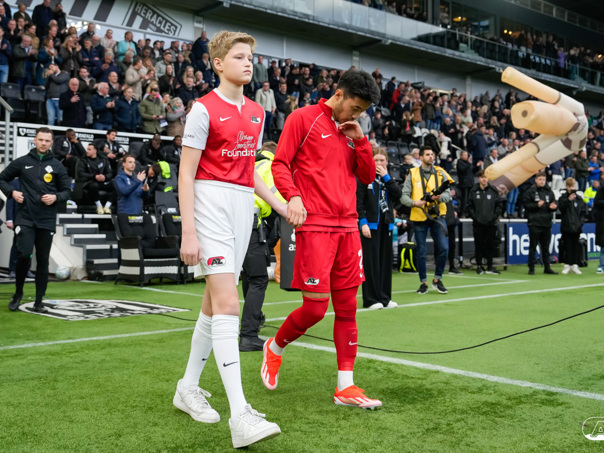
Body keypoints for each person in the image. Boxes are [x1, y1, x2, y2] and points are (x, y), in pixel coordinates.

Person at [176, 30, 284, 449]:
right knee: (228, 303)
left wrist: (278, 203)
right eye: (239, 56)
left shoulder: (257, 112)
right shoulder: (202, 110)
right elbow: (186, 174)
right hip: (209, 204)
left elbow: (249, 171)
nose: (248, 62)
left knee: (212, 303)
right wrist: (189, 231)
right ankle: (241, 415)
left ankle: (187, 387)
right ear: (218, 64)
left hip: (241, 208)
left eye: (251, 57)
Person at [262, 69, 382, 410]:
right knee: (315, 308)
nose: (356, 115)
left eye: (362, 112)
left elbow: (366, 175)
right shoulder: (303, 118)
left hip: (348, 228)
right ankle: (275, 347)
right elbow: (280, 164)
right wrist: (293, 196)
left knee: (347, 309)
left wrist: (360, 140)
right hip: (315, 225)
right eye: (355, 108)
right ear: (339, 95)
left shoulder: (352, 130)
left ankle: (345, 386)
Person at [0, 127, 71, 313]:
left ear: (51, 143)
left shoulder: (57, 166)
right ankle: (18, 293)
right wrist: (12, 192)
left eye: (47, 141)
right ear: (35, 140)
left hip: (46, 219)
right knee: (24, 254)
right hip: (25, 217)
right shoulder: (22, 162)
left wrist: (56, 197)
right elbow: (2, 179)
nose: (43, 143)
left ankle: (39, 302)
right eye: (40, 139)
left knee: (42, 260)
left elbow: (67, 191)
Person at [240, 143, 286, 352]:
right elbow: (280, 200)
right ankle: (248, 335)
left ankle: (253, 320)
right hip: (251, 222)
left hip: (231, 221)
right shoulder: (272, 166)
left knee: (248, 276)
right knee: (258, 279)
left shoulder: (250, 163)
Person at [401, 145, 454, 294]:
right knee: (421, 251)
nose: (431, 157)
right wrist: (414, 203)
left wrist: (439, 197)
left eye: (432, 154)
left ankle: (437, 279)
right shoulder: (412, 173)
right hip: (419, 215)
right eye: (428, 154)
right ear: (421, 157)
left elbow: (448, 194)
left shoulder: (441, 172)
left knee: (444, 248)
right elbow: (403, 196)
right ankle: (423, 282)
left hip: (437, 215)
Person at [356, 148, 402, 309]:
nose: (379, 163)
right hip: (370, 226)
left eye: (382, 160)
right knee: (371, 263)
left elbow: (399, 195)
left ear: (387, 162)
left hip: (386, 224)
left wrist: (387, 177)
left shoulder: (388, 179)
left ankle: (385, 298)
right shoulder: (364, 177)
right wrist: (363, 223)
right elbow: (359, 202)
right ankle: (371, 299)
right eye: (376, 160)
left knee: (385, 263)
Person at [467, 170, 503, 275]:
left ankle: (490, 266)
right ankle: (479, 266)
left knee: (490, 245)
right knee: (478, 245)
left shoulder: (493, 190)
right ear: (478, 178)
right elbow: (469, 205)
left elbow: (499, 205)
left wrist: (494, 217)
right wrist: (475, 217)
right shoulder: (473, 190)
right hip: (478, 224)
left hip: (490, 224)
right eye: (482, 177)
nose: (484, 179)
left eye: (486, 177)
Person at [523, 171, 558, 275]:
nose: (542, 181)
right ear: (536, 180)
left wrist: (554, 207)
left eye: (543, 180)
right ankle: (531, 268)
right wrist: (536, 205)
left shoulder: (549, 191)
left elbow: (554, 203)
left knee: (546, 247)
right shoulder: (530, 191)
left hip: (546, 223)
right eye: (540, 179)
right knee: (533, 247)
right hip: (534, 223)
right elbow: (526, 206)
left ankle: (547, 268)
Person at [74, 143, 114, 214]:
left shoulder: (103, 159)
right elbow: (81, 173)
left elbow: (110, 173)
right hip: (88, 182)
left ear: (95, 151)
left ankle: (107, 206)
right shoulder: (82, 160)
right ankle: (99, 206)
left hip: (102, 181)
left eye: (89, 149)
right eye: (87, 149)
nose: (87, 151)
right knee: (94, 185)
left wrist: (105, 177)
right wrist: (94, 176)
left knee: (116, 184)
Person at [558, 177, 587, 274]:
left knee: (576, 246)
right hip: (566, 226)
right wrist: (568, 200)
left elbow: (583, 212)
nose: (571, 188)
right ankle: (567, 265)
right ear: (566, 186)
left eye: (573, 186)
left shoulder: (579, 199)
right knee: (567, 246)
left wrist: (580, 223)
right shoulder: (562, 198)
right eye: (569, 186)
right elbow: (561, 209)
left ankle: (575, 265)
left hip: (576, 227)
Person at [594, 181, 604, 274]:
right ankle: (601, 266)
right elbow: (596, 202)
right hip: (602, 221)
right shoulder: (600, 189)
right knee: (603, 247)